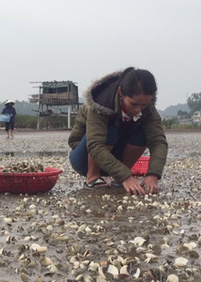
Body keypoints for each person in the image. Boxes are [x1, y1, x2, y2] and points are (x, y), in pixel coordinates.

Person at [68, 67, 168, 196]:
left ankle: (117, 178)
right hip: (84, 158)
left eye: (143, 105)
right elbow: (94, 145)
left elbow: (158, 142)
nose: (138, 110)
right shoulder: (100, 103)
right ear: (121, 92)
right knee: (109, 131)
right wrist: (126, 177)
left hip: (114, 158)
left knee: (143, 133)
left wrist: (153, 174)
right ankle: (92, 177)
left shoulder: (148, 110)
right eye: (133, 104)